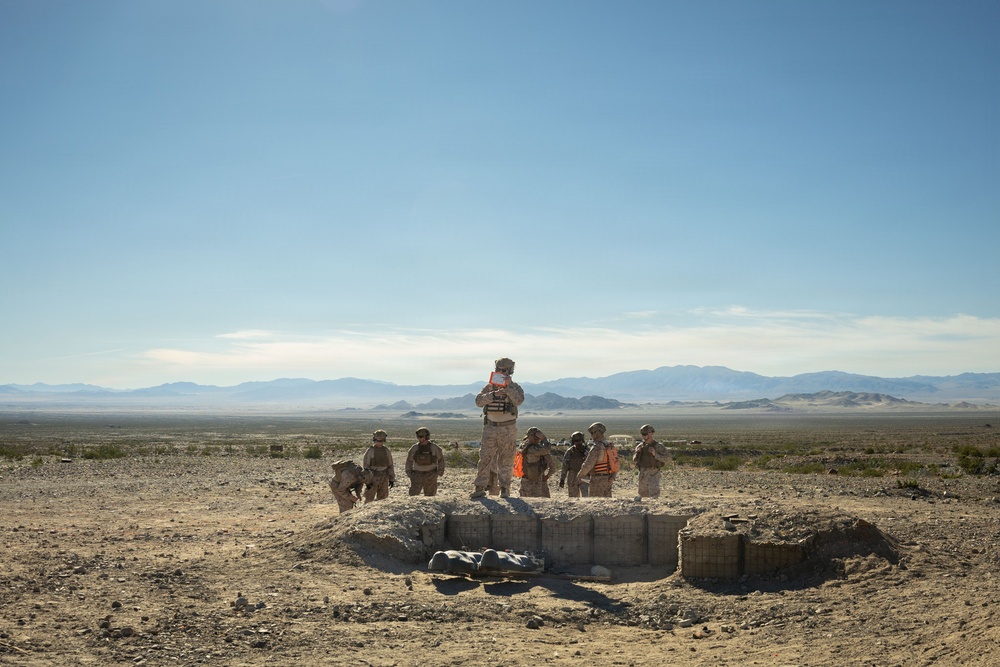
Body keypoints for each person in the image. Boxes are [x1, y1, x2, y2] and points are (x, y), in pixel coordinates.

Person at [471, 357, 525, 498]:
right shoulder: (489, 387)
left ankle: (505, 488)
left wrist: (507, 388)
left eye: (502, 370)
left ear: (509, 371)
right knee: (485, 458)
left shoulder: (515, 387)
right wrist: (493, 395)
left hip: (508, 428)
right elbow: (478, 401)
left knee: (506, 459)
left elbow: (518, 400)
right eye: (497, 369)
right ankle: (479, 487)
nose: (499, 372)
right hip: (490, 427)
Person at [577, 422, 619, 498]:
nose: (591, 435)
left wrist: (580, 475)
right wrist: (613, 476)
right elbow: (616, 462)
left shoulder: (596, 447)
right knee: (608, 504)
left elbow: (588, 464)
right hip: (608, 479)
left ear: (597, 433)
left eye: (592, 433)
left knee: (595, 502)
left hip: (597, 480)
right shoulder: (609, 445)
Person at [633, 424, 672, 499]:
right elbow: (635, 460)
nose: (643, 437)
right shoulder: (640, 446)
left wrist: (655, 455)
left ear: (651, 434)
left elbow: (668, 458)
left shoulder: (658, 446)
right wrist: (637, 454)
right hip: (643, 473)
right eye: (642, 435)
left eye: (645, 434)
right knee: (643, 497)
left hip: (653, 474)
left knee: (654, 497)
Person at [516, 427, 556, 498]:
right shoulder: (531, 448)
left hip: (535, 481)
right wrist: (544, 439)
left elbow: (552, 465)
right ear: (529, 436)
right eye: (534, 436)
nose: (536, 438)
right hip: (531, 482)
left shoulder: (526, 446)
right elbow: (547, 449)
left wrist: (547, 476)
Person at [405, 427, 445, 496]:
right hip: (417, 475)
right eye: (418, 437)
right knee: (413, 496)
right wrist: (409, 472)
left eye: (421, 437)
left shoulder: (434, 448)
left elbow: (441, 460)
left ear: (426, 437)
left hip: (431, 475)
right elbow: (409, 461)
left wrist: (439, 472)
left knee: (430, 496)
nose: (419, 438)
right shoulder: (414, 448)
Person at [362, 429, 396, 503]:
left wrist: (391, 478)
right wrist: (367, 481)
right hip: (373, 476)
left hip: (384, 476)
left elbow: (390, 465)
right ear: (374, 440)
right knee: (369, 498)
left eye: (381, 441)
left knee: (383, 499)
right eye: (377, 441)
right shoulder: (370, 451)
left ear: (384, 441)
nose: (379, 443)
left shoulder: (386, 451)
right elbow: (366, 467)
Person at [559, 431, 590, 498]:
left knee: (586, 496)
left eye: (579, 441)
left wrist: (584, 452)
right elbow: (565, 466)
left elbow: (591, 462)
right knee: (573, 497)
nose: (578, 443)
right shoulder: (570, 452)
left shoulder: (587, 451)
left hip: (584, 475)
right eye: (576, 441)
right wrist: (562, 479)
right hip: (572, 475)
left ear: (582, 440)